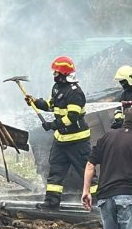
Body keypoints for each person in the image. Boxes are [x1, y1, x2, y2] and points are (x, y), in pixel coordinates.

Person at [26, 56, 94, 209]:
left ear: (64, 73)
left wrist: (52, 125)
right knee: (55, 172)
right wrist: (35, 102)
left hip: (77, 141)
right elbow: (51, 105)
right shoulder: (57, 88)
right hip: (61, 140)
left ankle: (97, 202)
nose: (54, 75)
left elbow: (72, 117)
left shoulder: (75, 93)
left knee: (85, 172)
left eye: (56, 72)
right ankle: (51, 203)